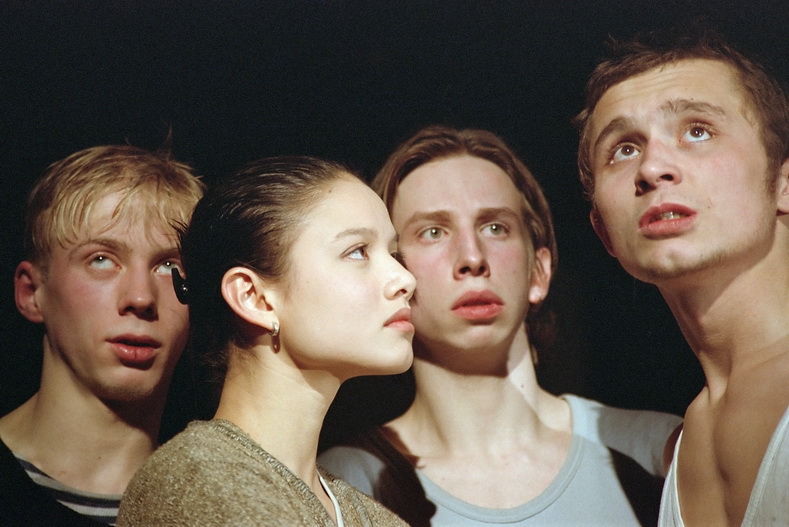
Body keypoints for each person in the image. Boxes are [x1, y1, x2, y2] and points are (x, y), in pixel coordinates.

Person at [318, 125, 683, 526]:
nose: (472, 258)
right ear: (392, 275)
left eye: (495, 227)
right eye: (433, 232)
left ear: (538, 272)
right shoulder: (342, 486)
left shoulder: (656, 452)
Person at [117, 156, 415, 526]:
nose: (405, 279)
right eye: (357, 252)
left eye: (394, 254)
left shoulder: (369, 516)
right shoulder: (202, 483)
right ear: (254, 298)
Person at [574, 29, 789, 526]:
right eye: (624, 149)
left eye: (697, 131)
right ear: (604, 232)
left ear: (783, 183)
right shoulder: (687, 437)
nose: (652, 167)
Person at [0, 145, 204, 525]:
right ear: (31, 293)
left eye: (169, 267)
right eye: (101, 260)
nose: (141, 298)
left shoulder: (215, 509)